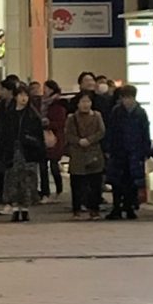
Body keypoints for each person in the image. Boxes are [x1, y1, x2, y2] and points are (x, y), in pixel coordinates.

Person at [0, 83, 44, 221]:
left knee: (27, 180)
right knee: (13, 179)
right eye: (21, 95)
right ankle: (15, 208)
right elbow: (2, 134)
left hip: (28, 151)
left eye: (26, 95)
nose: (24, 98)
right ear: (16, 97)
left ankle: (25, 209)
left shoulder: (33, 115)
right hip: (12, 150)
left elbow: (39, 135)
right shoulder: (8, 114)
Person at [105, 85, 151, 220]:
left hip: (135, 152)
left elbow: (145, 132)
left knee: (132, 182)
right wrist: (108, 148)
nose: (127, 101)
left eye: (130, 98)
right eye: (125, 98)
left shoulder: (140, 112)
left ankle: (129, 206)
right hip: (119, 151)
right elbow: (111, 131)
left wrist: (146, 150)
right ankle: (117, 207)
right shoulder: (116, 112)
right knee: (117, 181)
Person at [63, 91, 105, 219]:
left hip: (94, 153)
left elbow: (101, 131)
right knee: (77, 183)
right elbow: (68, 134)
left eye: (88, 101)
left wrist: (90, 140)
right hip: (77, 153)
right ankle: (77, 209)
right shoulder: (71, 118)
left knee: (95, 183)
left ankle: (94, 209)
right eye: (83, 102)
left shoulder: (97, 116)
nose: (86, 105)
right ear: (77, 104)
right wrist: (78, 141)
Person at [39, 80, 67, 202]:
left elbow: (61, 123)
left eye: (47, 88)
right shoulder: (41, 104)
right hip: (42, 136)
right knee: (43, 166)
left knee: (54, 165)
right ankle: (45, 192)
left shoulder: (58, 105)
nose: (45, 91)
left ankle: (59, 190)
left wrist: (49, 123)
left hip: (55, 137)